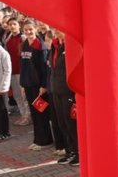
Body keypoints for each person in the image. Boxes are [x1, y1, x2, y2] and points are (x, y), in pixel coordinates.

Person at [19, 21, 52, 150]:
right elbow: (23, 66)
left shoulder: (40, 46)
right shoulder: (25, 45)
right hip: (28, 85)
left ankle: (45, 140)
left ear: (36, 29)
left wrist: (43, 86)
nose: (28, 32)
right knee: (34, 114)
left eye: (30, 29)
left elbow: (44, 68)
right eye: (26, 30)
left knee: (41, 113)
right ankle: (38, 139)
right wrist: (22, 83)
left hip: (39, 86)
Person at [48, 30, 79, 166]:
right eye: (54, 29)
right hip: (56, 90)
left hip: (68, 91)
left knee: (71, 123)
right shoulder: (55, 46)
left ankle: (78, 152)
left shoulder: (71, 46)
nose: (56, 32)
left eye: (58, 29)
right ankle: (69, 151)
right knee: (62, 123)